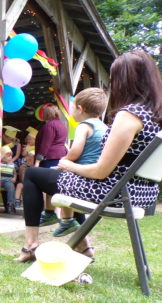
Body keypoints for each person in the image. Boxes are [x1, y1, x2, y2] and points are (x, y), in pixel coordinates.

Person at [15, 50, 162, 262]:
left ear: (124, 81)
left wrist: (68, 165)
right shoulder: (159, 116)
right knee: (69, 182)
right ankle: (83, 246)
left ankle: (31, 244)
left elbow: (100, 172)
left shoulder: (129, 115)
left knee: (33, 174)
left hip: (113, 192)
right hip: (140, 193)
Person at [52, 87, 109, 237]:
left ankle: (59, 217)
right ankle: (79, 238)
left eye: (72, 107)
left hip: (80, 174)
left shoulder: (83, 126)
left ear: (80, 108)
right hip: (95, 176)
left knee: (49, 174)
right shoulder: (104, 127)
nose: (71, 111)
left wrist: (65, 160)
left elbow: (76, 151)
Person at [35, 104, 68, 168]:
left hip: (50, 158)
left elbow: (45, 144)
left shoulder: (50, 125)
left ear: (46, 114)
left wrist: (37, 161)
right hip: (61, 156)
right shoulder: (61, 124)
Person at [0, 145, 17, 214]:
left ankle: (11, 204)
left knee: (11, 187)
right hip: (0, 180)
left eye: (11, 156)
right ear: (2, 156)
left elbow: (14, 172)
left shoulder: (12, 164)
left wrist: (14, 178)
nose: (10, 158)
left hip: (8, 180)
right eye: (8, 156)